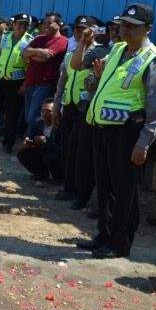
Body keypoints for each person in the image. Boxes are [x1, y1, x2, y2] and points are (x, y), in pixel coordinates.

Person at [77, 3, 156, 259]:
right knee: (105, 188)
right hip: (104, 129)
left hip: (127, 134)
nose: (125, 30)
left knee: (124, 191)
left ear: (148, 29)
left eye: (132, 27)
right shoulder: (117, 50)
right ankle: (104, 235)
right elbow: (99, 81)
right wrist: (95, 79)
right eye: (123, 25)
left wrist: (144, 143)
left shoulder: (155, 61)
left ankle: (120, 243)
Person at [53, 15, 102, 201]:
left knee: (82, 152)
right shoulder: (69, 55)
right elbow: (61, 84)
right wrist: (57, 107)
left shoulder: (100, 53)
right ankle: (69, 187)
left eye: (84, 29)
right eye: (77, 30)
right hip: (70, 106)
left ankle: (81, 193)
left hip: (87, 108)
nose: (80, 33)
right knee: (69, 149)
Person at [0, 13, 31, 152]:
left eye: (25, 24)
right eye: (19, 23)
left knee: (12, 114)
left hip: (16, 82)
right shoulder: (4, 37)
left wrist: (25, 83)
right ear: (13, 24)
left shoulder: (29, 41)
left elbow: (30, 65)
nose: (22, 26)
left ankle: (7, 143)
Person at [22, 12, 69, 126]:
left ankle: (34, 139)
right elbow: (24, 53)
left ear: (59, 24)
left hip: (44, 85)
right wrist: (40, 51)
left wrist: (31, 54)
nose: (45, 25)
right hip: (30, 83)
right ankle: (31, 139)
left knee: (34, 117)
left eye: (49, 23)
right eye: (44, 23)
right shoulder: (39, 38)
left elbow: (44, 59)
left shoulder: (62, 41)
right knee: (28, 116)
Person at [17, 98, 63, 182]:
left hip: (55, 156)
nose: (44, 114)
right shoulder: (38, 123)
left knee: (50, 157)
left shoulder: (60, 127)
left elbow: (62, 149)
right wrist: (28, 143)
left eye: (48, 111)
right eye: (42, 111)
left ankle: (58, 178)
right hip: (41, 152)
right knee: (23, 153)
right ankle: (41, 174)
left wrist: (46, 141)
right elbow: (29, 137)